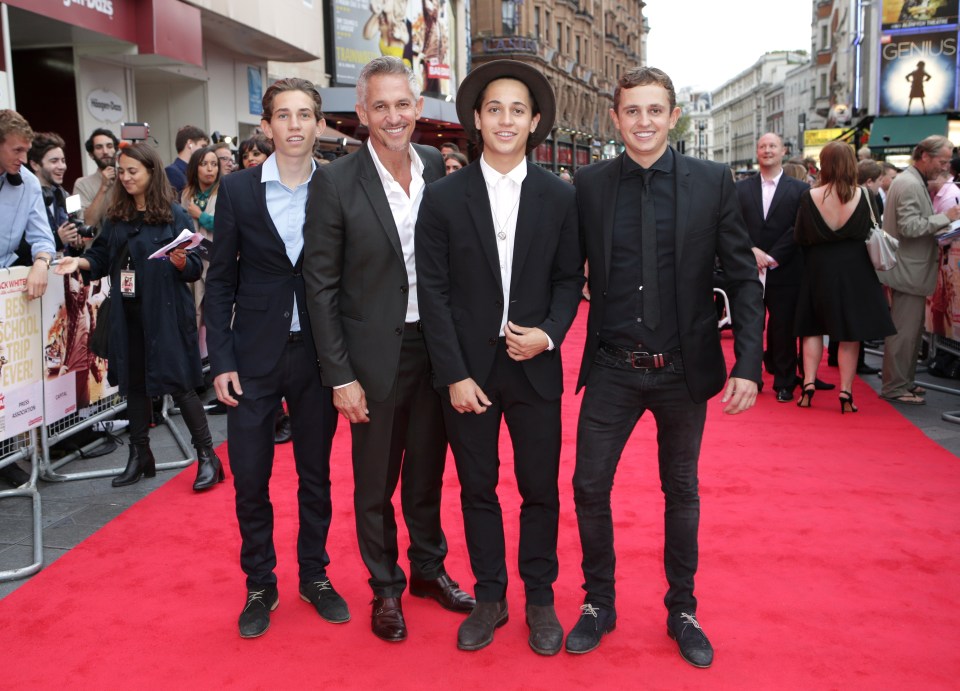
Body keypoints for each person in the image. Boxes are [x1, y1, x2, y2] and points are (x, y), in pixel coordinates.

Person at [567, 66, 764, 667]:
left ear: (673, 115)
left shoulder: (711, 181)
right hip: (612, 367)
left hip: (683, 370)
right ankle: (599, 602)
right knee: (588, 487)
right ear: (616, 117)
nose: (644, 122)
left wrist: (750, 362)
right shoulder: (589, 184)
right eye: (633, 111)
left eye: (656, 110)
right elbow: (558, 270)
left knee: (680, 491)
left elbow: (740, 275)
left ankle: (683, 608)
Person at [303, 56, 473, 644]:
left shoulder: (435, 168)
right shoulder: (335, 182)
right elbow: (319, 285)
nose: (394, 115)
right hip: (374, 358)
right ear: (363, 114)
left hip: (437, 349)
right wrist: (338, 375)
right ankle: (385, 586)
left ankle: (428, 569)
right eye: (381, 106)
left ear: (418, 108)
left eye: (403, 104)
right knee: (375, 482)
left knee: (427, 473)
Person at [416, 59, 582, 655]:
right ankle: (490, 596)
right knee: (477, 489)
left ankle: (540, 597)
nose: (506, 119)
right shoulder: (443, 198)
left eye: (518, 109)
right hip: (469, 376)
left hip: (536, 369)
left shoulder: (561, 197)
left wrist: (551, 334)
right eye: (495, 109)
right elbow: (431, 293)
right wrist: (454, 373)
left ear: (534, 121)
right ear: (477, 121)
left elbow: (570, 281)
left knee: (540, 489)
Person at [204, 77, 344, 639]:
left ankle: (315, 574)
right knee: (251, 479)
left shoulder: (336, 186)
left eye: (305, 114)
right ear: (266, 126)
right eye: (283, 115)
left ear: (318, 124)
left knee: (317, 476)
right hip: (252, 358)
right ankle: (260, 581)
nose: (294, 125)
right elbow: (219, 283)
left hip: (317, 357)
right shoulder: (237, 190)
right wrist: (221, 360)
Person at [52, 143, 223, 491]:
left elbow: (193, 265)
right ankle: (140, 455)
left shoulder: (174, 214)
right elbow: (99, 256)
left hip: (166, 313)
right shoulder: (116, 215)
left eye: (134, 171)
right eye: (123, 171)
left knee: (179, 384)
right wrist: (79, 262)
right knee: (134, 385)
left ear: (151, 173)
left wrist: (180, 261)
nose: (126, 178)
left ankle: (208, 456)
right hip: (128, 313)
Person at [793, 142, 896, 412]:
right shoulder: (864, 195)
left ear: (824, 164)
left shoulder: (810, 196)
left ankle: (809, 384)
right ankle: (846, 392)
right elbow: (873, 229)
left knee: (812, 329)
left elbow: (800, 237)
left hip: (818, 268)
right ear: (851, 163)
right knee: (850, 333)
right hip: (856, 269)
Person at [880, 136, 960, 405]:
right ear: (925, 156)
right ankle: (895, 386)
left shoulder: (911, 181)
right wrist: (945, 218)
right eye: (943, 161)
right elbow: (910, 227)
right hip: (908, 269)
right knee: (905, 331)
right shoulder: (911, 184)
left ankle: (903, 382)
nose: (946, 168)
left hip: (908, 267)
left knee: (911, 331)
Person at [737, 132, 810, 402]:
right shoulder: (740, 188)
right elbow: (733, 224)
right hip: (748, 268)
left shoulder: (800, 190)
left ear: (783, 151)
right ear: (757, 152)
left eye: (772, 146)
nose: (767, 150)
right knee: (749, 327)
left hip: (786, 269)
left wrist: (773, 256)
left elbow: (799, 227)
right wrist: (752, 251)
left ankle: (785, 381)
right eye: (762, 146)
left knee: (783, 328)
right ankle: (750, 377)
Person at [0, 110, 55, 299]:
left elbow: (43, 238)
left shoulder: (29, 182)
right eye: (17, 150)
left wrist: (41, 263)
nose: (23, 160)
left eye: (26, 151)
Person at [181, 146, 221, 335]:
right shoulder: (187, 194)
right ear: (195, 168)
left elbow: (226, 225)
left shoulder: (224, 191)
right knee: (193, 307)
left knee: (217, 310)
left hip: (217, 258)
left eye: (214, 164)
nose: (210, 169)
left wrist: (201, 215)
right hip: (194, 256)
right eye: (204, 164)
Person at [27, 132, 83, 254]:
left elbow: (73, 251)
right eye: (54, 161)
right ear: (35, 165)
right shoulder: (24, 198)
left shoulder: (65, 195)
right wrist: (57, 240)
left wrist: (77, 244)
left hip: (63, 269)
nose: (62, 166)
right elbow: (17, 249)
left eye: (63, 160)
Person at [73, 128, 118, 228]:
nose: (105, 151)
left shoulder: (127, 179)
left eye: (109, 146)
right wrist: (103, 188)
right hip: (98, 242)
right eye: (99, 147)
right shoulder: (81, 184)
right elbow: (87, 224)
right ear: (91, 155)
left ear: (116, 150)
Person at [165, 125, 209, 197]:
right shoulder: (171, 172)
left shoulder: (197, 171)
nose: (206, 151)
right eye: (203, 146)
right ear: (190, 143)